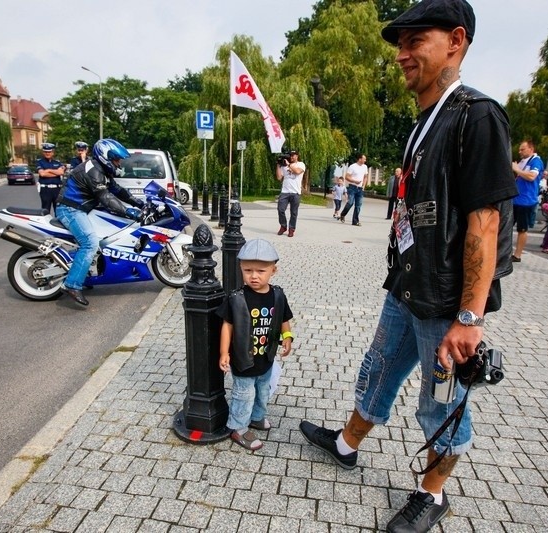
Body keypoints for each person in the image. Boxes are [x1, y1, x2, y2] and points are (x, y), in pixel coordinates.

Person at [298, 1, 517, 531]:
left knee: (439, 407)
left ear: (456, 40)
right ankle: (348, 445)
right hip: (407, 287)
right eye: (400, 43)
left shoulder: (477, 115)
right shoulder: (427, 119)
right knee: (378, 371)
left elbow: (484, 224)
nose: (402, 54)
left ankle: (432, 494)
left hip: (445, 306)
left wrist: (469, 318)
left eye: (415, 40)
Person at [217, 239, 293, 451]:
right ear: (241, 268)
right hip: (243, 360)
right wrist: (224, 352)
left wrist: (287, 337)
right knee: (244, 394)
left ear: (273, 270)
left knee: (262, 391)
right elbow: (227, 326)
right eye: (248, 270)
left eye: (261, 271)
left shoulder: (278, 295)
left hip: (266, 358)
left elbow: (285, 319)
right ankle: (238, 427)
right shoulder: (237, 298)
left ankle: (257, 417)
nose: (254, 276)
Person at [55, 139, 147, 306]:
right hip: (70, 209)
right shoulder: (94, 171)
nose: (119, 164)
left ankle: (87, 274)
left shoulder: (101, 169)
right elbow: (105, 198)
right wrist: (129, 212)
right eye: (117, 160)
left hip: (82, 208)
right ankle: (72, 284)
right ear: (106, 156)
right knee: (89, 243)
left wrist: (138, 203)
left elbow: (117, 190)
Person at [510, 140, 544, 262]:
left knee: (522, 229)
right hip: (515, 199)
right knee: (507, 226)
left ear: (531, 149)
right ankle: (505, 250)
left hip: (526, 200)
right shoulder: (523, 161)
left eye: (522, 149)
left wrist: (516, 169)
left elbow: (531, 176)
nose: (520, 151)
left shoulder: (536, 161)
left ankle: (517, 254)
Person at [275, 150, 306, 237]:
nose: (292, 157)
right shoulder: (284, 165)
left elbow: (297, 172)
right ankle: (283, 226)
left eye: (293, 155)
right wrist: (278, 164)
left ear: (297, 156)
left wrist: (289, 164)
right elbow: (279, 177)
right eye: (290, 155)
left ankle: (291, 229)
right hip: (285, 191)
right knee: (280, 209)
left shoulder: (301, 164)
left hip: (295, 192)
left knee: (294, 212)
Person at [36, 143, 65, 216]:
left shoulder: (57, 162)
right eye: (45, 152)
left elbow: (61, 172)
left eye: (49, 152)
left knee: (58, 211)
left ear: (53, 152)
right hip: (45, 190)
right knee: (45, 211)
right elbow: (42, 174)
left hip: (57, 189)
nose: (47, 153)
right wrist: (55, 172)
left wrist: (48, 170)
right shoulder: (40, 162)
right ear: (43, 152)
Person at [339, 153, 368, 226]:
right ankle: (343, 214)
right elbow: (347, 177)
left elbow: (365, 177)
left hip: (360, 189)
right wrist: (354, 181)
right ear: (360, 159)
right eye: (364, 159)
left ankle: (355, 221)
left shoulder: (365, 167)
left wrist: (364, 185)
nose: (365, 160)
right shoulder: (353, 167)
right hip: (352, 187)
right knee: (350, 203)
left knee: (358, 205)